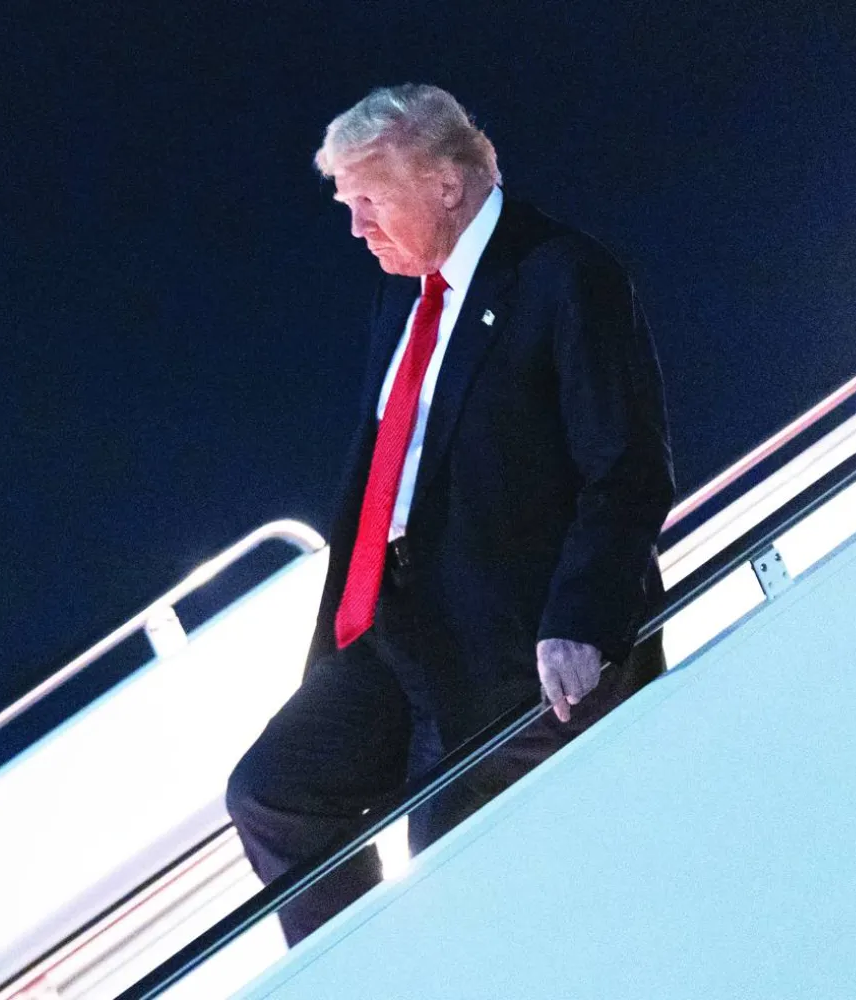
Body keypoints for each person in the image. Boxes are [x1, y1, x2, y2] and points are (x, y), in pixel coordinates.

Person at [225, 84, 675, 945]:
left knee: (454, 878)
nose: (357, 229)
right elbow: (380, 483)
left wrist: (581, 621)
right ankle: (371, 971)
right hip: (397, 633)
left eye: (369, 200)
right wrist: (335, 651)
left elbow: (627, 466)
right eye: (347, 206)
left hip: (510, 638)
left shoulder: (564, 275)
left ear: (444, 181)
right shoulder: (401, 299)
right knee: (274, 791)